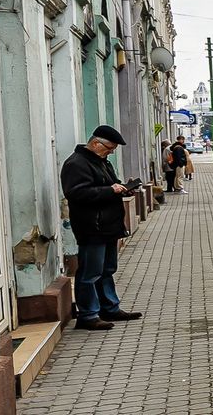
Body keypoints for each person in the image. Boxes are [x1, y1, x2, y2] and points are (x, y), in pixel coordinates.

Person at [60, 125, 142, 330]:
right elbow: (77, 193)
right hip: (92, 227)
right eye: (109, 148)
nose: (111, 152)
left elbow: (110, 186)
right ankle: (88, 315)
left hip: (108, 226)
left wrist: (123, 189)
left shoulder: (101, 162)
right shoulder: (76, 164)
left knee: (107, 270)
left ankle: (110, 308)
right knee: (90, 272)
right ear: (96, 143)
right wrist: (109, 190)